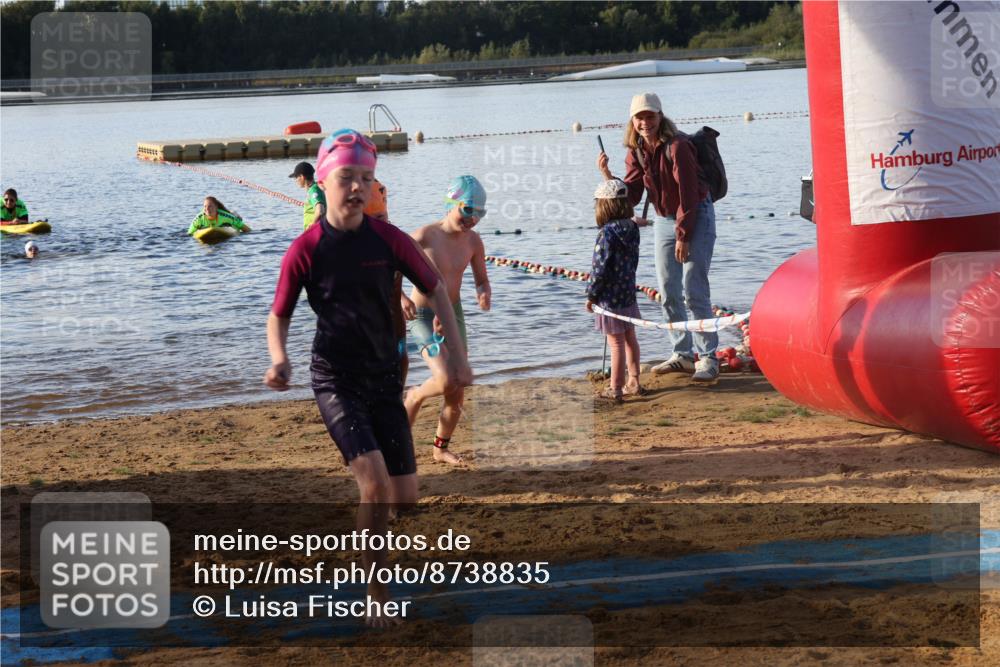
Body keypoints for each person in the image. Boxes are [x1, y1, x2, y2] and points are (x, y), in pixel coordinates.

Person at [263, 129, 471, 626]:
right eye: (347, 178)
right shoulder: (306, 249)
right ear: (324, 181)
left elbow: (436, 287)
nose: (357, 187)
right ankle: (376, 596)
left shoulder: (388, 238)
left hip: (385, 378)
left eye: (366, 178)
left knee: (405, 498)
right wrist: (279, 358)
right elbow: (279, 314)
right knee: (375, 487)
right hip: (335, 378)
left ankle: (372, 517)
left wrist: (458, 358)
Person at [597, 92, 719, 383]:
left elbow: (689, 195)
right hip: (665, 219)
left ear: (660, 116)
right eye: (639, 117)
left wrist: (684, 235)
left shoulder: (678, 146)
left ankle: (709, 358)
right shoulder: (636, 150)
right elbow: (631, 196)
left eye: (650, 116)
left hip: (696, 215)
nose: (645, 122)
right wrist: (607, 176)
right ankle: (682, 354)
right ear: (632, 121)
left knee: (694, 289)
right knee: (668, 291)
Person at [403, 175, 491, 465]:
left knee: (457, 392)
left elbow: (481, 280)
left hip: (453, 314)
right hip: (423, 316)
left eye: (480, 213)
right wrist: (399, 298)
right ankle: (415, 396)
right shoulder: (425, 236)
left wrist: (483, 293)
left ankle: (439, 449)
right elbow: (389, 268)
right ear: (452, 202)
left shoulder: (474, 242)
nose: (473, 219)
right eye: (468, 210)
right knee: (443, 379)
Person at [586, 178, 644, 403]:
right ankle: (635, 381)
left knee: (616, 342)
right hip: (628, 292)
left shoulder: (605, 233)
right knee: (630, 337)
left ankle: (616, 388)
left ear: (604, 206)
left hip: (610, 297)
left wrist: (591, 295)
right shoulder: (632, 228)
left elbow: (600, 268)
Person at [362, 179, 416, 382]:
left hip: (393, 319)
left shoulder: (395, 238)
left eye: (381, 216)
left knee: (400, 361)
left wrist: (403, 297)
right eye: (371, 218)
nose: (378, 223)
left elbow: (427, 280)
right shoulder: (349, 242)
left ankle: (397, 401)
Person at [290, 161, 326, 230]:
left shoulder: (313, 190)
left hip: (315, 233)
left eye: (296, 177)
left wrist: (311, 226)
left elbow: (320, 211)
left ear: (302, 176)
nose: (296, 180)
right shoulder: (316, 188)